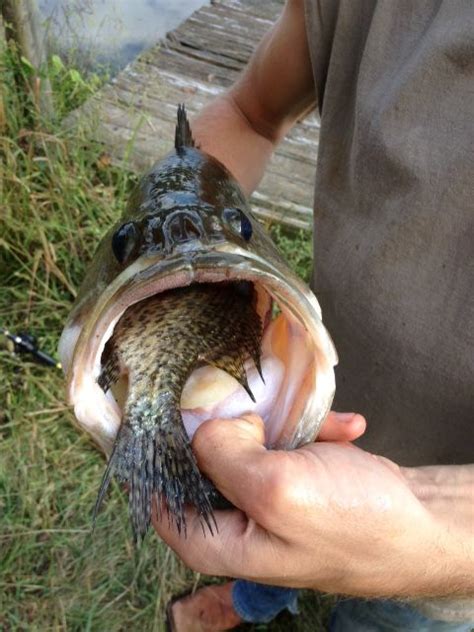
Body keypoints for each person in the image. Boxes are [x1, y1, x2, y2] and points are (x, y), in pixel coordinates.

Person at [153, 0, 474, 630]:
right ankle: (247, 601)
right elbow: (250, 113)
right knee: (264, 528)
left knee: (382, 620)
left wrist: (433, 522)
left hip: (450, 574)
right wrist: (178, 231)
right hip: (284, 425)